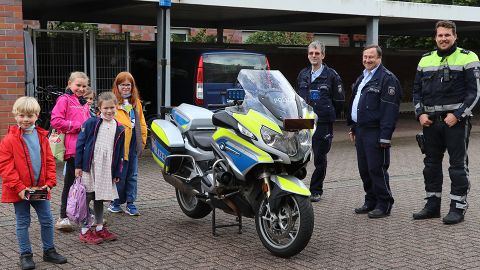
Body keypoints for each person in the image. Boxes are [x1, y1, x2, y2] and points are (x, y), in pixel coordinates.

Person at [412, 20, 480, 225]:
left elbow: (475, 93)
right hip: (430, 123)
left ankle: (457, 207)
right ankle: (432, 205)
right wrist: (420, 114)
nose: (443, 39)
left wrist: (458, 115)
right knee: (431, 165)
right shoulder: (425, 60)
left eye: (447, 35)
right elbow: (416, 91)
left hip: (456, 123)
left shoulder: (469, 57)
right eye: (440, 35)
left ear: (455, 36)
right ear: (435, 37)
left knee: (457, 166)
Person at [0, 97, 67, 270]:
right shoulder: (9, 140)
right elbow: (6, 167)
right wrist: (20, 188)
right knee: (23, 222)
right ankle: (25, 254)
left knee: (47, 220)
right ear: (15, 116)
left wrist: (50, 182)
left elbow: (50, 161)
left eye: (29, 115)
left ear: (37, 115)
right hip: (20, 191)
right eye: (22, 115)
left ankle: (49, 251)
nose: (25, 119)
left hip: (40, 190)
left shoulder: (42, 136)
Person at [347, 45, 402, 218]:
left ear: (379, 58)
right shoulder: (363, 77)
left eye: (371, 57)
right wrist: (353, 127)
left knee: (376, 169)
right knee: (364, 169)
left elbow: (389, 110)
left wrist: (385, 136)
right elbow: (356, 104)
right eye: (365, 57)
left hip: (375, 131)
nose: (367, 60)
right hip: (361, 130)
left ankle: (384, 203)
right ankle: (370, 200)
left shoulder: (387, 79)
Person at [296, 40, 344, 202]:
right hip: (304, 123)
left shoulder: (331, 75)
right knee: (299, 156)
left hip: (322, 122)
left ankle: (316, 190)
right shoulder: (303, 74)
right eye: (311, 53)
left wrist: (327, 113)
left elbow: (339, 101)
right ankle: (296, 189)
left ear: (323, 55)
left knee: (319, 158)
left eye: (317, 53)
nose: (314, 56)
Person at [75, 92, 125, 244]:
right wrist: (78, 165)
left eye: (112, 107)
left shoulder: (119, 128)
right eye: (106, 108)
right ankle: (84, 230)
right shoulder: (91, 123)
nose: (109, 111)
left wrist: (117, 172)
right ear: (99, 108)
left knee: (100, 197)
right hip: (90, 166)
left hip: (106, 168)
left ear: (116, 107)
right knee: (88, 197)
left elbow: (119, 153)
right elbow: (80, 145)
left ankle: (99, 227)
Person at [51, 71, 90, 231]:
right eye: (78, 85)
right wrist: (77, 127)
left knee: (84, 184)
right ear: (69, 84)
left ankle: (85, 213)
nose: (81, 88)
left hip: (86, 149)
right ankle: (63, 217)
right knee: (70, 183)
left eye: (84, 86)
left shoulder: (84, 103)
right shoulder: (64, 99)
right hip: (73, 150)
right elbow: (56, 121)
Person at [108, 71, 147, 216]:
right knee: (120, 175)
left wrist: (142, 141)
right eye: (122, 85)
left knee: (133, 175)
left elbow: (142, 123)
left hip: (133, 144)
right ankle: (116, 202)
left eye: (128, 85)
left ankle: (131, 203)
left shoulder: (136, 103)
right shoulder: (112, 103)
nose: (125, 88)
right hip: (119, 145)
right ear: (117, 86)